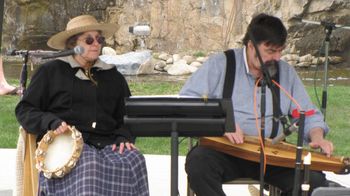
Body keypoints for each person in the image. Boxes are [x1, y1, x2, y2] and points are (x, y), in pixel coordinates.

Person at [180, 13, 333, 196]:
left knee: (312, 180)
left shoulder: (286, 72)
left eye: (280, 50)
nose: (277, 57)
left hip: (273, 155)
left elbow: (308, 114)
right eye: (270, 51)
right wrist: (222, 122)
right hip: (226, 152)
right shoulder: (221, 64)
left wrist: (318, 136)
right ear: (251, 46)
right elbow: (188, 100)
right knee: (198, 164)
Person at [15, 15, 149, 196]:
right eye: (89, 40)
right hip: (66, 146)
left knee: (134, 159)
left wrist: (123, 136)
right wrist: (50, 122)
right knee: (89, 165)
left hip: (107, 144)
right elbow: (25, 110)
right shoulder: (50, 72)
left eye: (99, 39)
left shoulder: (113, 77)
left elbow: (128, 115)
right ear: (73, 45)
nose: (96, 44)